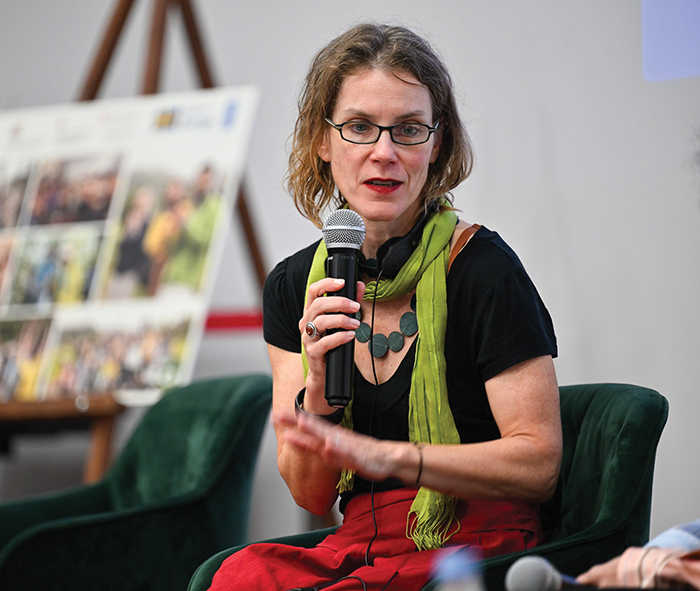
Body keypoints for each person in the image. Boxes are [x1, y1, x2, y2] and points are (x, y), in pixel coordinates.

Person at [208, 22, 561, 591]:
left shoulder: (484, 269)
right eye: (359, 128)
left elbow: (539, 466)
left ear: (437, 144)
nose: (384, 152)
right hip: (361, 541)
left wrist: (392, 457)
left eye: (409, 130)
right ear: (322, 143)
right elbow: (311, 494)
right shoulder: (293, 286)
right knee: (240, 577)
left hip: (474, 539)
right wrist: (318, 392)